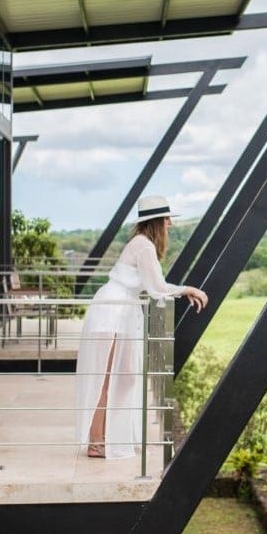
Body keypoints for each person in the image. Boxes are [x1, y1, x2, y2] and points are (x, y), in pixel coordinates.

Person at [75, 195, 208, 459]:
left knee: (123, 376)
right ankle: (96, 441)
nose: (170, 223)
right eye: (167, 218)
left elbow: (151, 284)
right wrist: (188, 290)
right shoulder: (144, 246)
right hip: (114, 310)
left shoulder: (142, 244)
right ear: (157, 221)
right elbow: (156, 287)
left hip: (118, 308)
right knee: (109, 377)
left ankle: (104, 436)